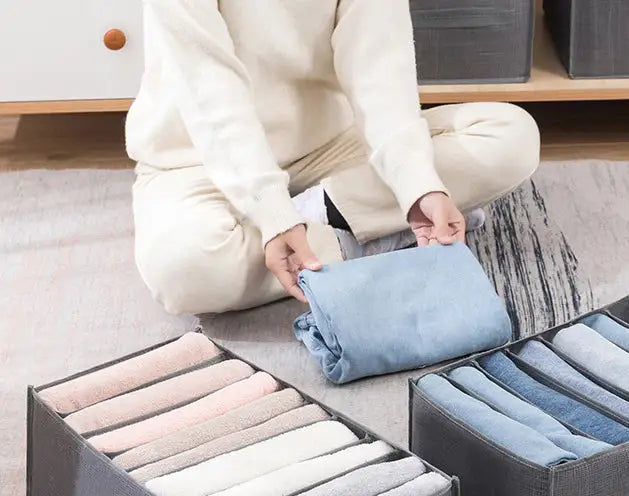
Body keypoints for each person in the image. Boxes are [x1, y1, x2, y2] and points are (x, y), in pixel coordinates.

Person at [125, 0, 541, 315]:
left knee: (511, 135)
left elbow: (379, 69)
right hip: (196, 159)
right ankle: (362, 232)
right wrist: (270, 209)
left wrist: (416, 184)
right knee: (181, 269)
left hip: (331, 145)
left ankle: (325, 218)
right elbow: (207, 86)